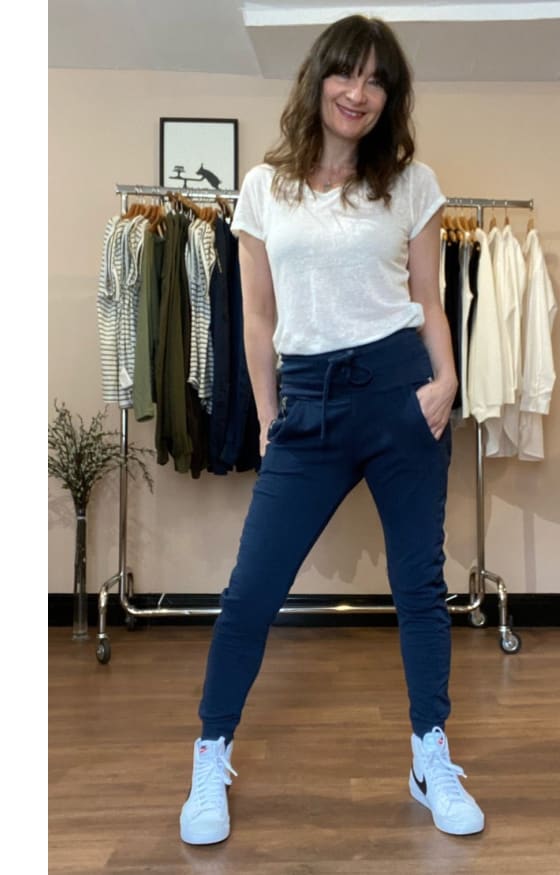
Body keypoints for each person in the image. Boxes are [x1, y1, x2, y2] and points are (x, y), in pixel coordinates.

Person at [179, 14, 485, 845]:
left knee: (420, 586)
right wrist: (272, 416)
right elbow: (257, 318)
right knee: (250, 592)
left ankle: (430, 756)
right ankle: (211, 754)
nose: (360, 92)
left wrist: (447, 381)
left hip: (399, 393)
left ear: (391, 97)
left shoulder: (411, 183)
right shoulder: (263, 188)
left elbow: (428, 298)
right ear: (318, 80)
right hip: (308, 401)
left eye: (378, 80)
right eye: (347, 74)